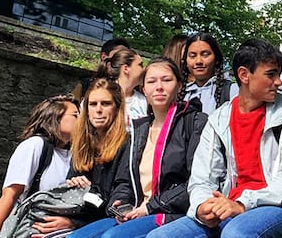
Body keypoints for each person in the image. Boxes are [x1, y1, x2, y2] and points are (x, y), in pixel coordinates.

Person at [146, 39, 282, 238]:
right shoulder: (218, 120)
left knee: (236, 234)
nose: (278, 82)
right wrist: (203, 206)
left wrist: (242, 203)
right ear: (244, 75)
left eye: (278, 75)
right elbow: (202, 178)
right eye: (271, 75)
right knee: (159, 236)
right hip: (228, 207)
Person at [67, 58, 208, 238]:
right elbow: (125, 180)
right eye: (151, 81)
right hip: (137, 209)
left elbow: (196, 181)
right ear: (144, 89)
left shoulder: (194, 122)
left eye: (166, 80)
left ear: (180, 86)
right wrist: (119, 204)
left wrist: (149, 207)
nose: (159, 87)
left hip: (172, 211)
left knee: (112, 237)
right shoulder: (140, 129)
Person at [0, 94, 80, 238]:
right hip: (30, 229)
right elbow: (9, 196)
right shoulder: (35, 146)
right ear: (56, 116)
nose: (81, 120)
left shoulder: (77, 155)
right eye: (75, 115)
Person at [64, 79, 130, 230]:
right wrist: (74, 185)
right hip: (77, 213)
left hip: (107, 220)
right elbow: (69, 190)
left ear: (117, 108)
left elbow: (118, 198)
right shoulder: (81, 143)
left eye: (105, 104)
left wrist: (90, 191)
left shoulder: (127, 144)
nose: (98, 110)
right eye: (93, 104)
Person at [181, 32, 238, 114]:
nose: (198, 61)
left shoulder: (232, 91)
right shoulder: (181, 95)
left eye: (205, 55)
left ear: (216, 58)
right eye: (192, 56)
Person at [97, 46, 147, 126]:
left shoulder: (143, 101)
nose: (144, 69)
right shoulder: (99, 96)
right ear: (126, 69)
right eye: (140, 65)